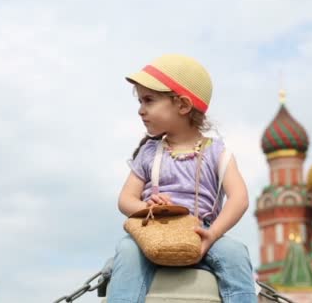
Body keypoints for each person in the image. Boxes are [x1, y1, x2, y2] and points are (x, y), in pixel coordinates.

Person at [106, 54, 257, 303]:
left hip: (201, 230)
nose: (140, 110)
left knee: (235, 253)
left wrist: (214, 233)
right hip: (152, 231)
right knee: (127, 250)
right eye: (140, 101)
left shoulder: (217, 152)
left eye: (149, 100)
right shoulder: (149, 152)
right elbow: (125, 199)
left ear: (183, 106)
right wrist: (148, 208)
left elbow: (239, 198)